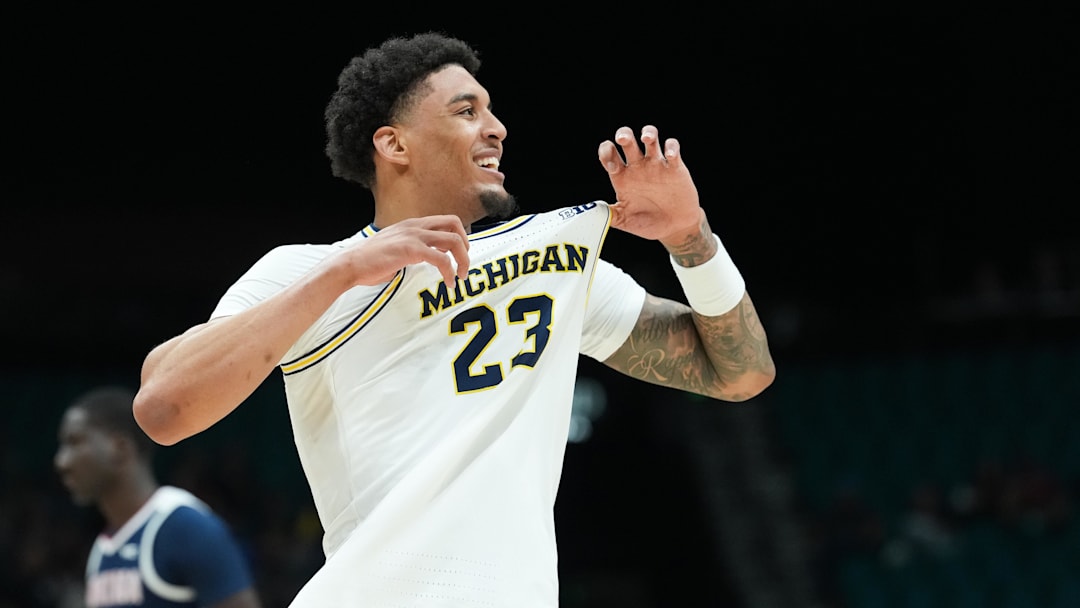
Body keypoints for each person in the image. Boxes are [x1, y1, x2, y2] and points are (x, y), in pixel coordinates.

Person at [132, 31, 776, 607]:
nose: (496, 128)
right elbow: (163, 408)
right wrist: (345, 271)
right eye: (467, 111)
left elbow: (741, 373)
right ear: (394, 143)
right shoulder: (310, 268)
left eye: (493, 112)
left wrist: (692, 239)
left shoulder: (552, 265)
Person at [55, 385, 263, 608]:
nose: (61, 462)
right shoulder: (102, 551)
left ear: (120, 447)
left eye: (75, 442)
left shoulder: (186, 527)